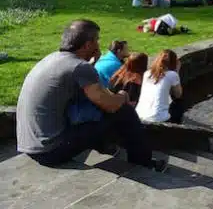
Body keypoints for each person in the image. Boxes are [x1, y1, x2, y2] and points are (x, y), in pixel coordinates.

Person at [16, 20, 165, 170]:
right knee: (124, 111)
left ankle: (106, 147)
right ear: (88, 45)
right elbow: (111, 105)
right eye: (97, 40)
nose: (99, 45)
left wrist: (93, 65)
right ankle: (144, 164)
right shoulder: (80, 67)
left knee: (93, 106)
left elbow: (90, 92)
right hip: (51, 150)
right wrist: (123, 95)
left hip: (29, 143)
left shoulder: (53, 58)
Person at [136, 49, 184, 124]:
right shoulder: (172, 75)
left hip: (139, 115)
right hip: (157, 118)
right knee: (178, 103)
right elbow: (178, 95)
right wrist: (177, 71)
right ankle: (176, 126)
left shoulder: (147, 73)